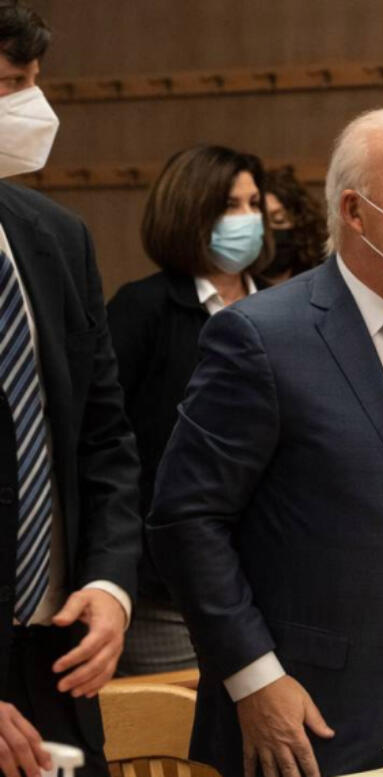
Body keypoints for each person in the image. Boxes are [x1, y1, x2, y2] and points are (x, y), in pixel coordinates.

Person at [147, 108, 383, 776]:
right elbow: (187, 519)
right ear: (353, 210)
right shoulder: (261, 337)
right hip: (310, 718)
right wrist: (253, 675)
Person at [0, 2, 141, 774]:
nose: (33, 106)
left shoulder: (54, 235)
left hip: (58, 655)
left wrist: (111, 582)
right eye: (9, 83)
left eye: (33, 81)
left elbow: (105, 438)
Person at [107, 145, 272, 676]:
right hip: (166, 590)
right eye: (229, 205)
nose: (246, 220)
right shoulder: (142, 310)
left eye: (253, 204)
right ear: (190, 212)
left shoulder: (281, 308)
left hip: (269, 578)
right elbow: (109, 442)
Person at [259, 165, 327, 286]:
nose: (270, 233)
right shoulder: (240, 285)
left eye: (278, 220)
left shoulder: (322, 276)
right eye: (261, 223)